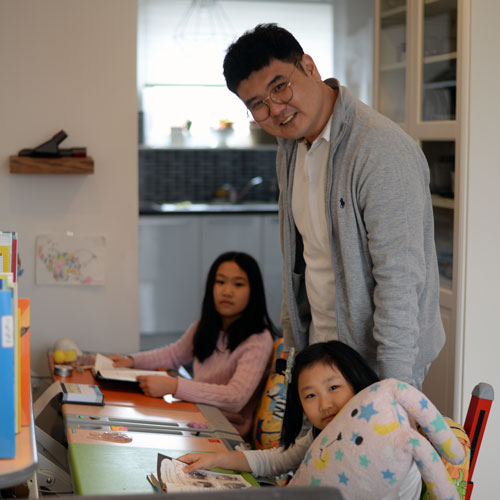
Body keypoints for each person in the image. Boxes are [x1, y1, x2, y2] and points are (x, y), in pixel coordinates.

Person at [222, 24, 444, 389]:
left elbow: (400, 282)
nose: (275, 109)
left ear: (309, 66)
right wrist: (293, 354)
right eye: (257, 105)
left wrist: (394, 392)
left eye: (280, 87)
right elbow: (300, 263)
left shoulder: (380, 150)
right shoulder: (292, 148)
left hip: (376, 365)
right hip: (322, 357)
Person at [179, 341, 422, 499]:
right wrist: (216, 459)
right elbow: (277, 460)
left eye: (334, 387)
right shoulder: (325, 435)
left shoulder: (383, 437)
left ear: (358, 384)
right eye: (310, 395)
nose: (324, 404)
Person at [110, 251, 277, 438]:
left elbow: (235, 397)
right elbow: (173, 355)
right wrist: (131, 360)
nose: (227, 291)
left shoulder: (259, 340)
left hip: (224, 432)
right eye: (220, 282)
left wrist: (174, 386)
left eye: (238, 284)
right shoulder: (206, 325)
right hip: (195, 417)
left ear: (254, 291)